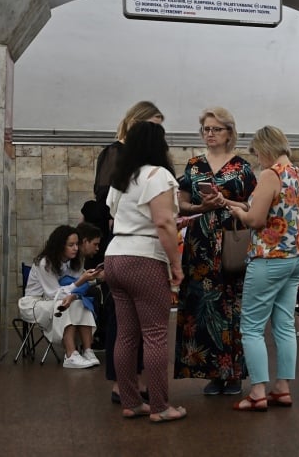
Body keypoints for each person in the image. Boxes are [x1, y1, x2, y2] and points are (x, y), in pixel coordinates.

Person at [104, 121, 186, 422]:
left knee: (125, 335)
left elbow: (113, 218)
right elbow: (164, 223)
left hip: (115, 256)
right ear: (158, 145)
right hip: (144, 258)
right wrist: (175, 264)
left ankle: (132, 402)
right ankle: (162, 407)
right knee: (155, 335)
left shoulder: (121, 178)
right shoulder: (159, 175)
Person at [174, 107, 256, 396]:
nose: (209, 134)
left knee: (230, 305)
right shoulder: (194, 165)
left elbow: (252, 205)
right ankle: (211, 372)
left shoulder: (242, 167)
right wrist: (200, 207)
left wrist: (226, 203)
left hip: (231, 239)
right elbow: (181, 203)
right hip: (199, 244)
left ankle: (233, 373)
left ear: (229, 133)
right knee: (201, 306)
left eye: (215, 129)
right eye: (206, 129)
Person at [229, 125, 299, 411]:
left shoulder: (270, 174)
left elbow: (256, 220)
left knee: (251, 326)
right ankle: (282, 388)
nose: (257, 161)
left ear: (264, 149)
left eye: (257, 154)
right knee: (285, 325)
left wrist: (239, 212)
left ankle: (258, 391)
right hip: (296, 258)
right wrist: (238, 205)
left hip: (269, 258)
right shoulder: (298, 174)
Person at [91, 102, 163, 403]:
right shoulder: (116, 153)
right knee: (121, 320)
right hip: (123, 242)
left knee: (143, 320)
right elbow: (104, 196)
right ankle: (121, 384)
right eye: (155, 124)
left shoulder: (143, 159)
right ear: (138, 122)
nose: (160, 131)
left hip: (139, 243)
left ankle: (141, 383)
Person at [20, 225, 100, 368]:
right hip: (34, 303)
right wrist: (82, 280)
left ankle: (88, 350)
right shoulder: (44, 263)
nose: (76, 248)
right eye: (71, 245)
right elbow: (54, 293)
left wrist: (91, 279)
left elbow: (73, 289)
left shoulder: (73, 261)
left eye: (77, 244)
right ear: (59, 246)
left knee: (81, 303)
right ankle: (70, 355)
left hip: (54, 299)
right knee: (64, 305)